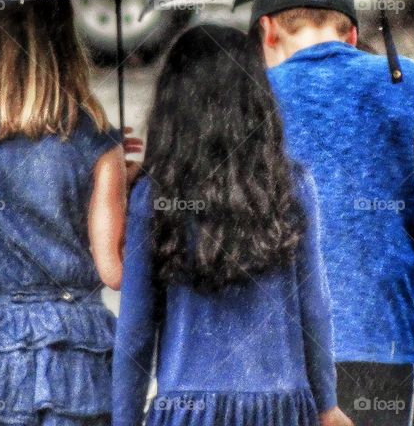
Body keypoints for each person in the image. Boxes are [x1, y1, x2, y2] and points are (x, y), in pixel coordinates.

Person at [112, 25, 352, 426]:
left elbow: (135, 330)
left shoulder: (152, 197)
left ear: (172, 106)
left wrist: (123, 418)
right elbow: (314, 308)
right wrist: (326, 403)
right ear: (257, 101)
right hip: (278, 407)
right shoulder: (292, 187)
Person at [0, 0, 126, 426]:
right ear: (64, 40)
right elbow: (114, 271)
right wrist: (125, 181)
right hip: (71, 354)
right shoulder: (93, 139)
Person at [251, 0, 414, 426]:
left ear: (268, 29)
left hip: (284, 348)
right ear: (353, 33)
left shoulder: (255, 93)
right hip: (384, 335)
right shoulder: (405, 78)